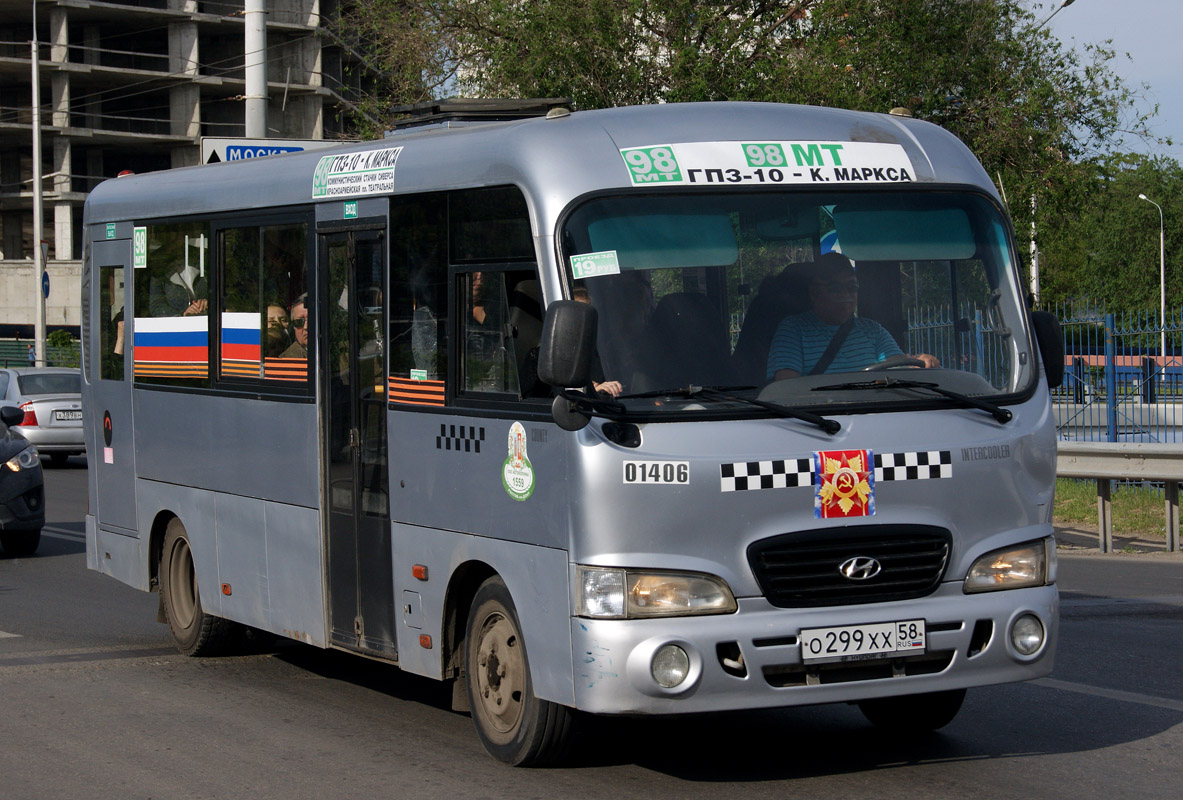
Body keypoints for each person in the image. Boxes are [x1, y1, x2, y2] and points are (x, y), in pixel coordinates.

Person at [766, 252, 938, 381]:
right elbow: (787, 390)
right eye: (835, 288)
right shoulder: (793, 329)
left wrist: (919, 362)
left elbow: (900, 367)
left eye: (852, 287)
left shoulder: (872, 330)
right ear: (814, 292)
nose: (846, 294)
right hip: (820, 419)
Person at [572, 286, 623, 397]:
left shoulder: (605, 352)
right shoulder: (545, 358)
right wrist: (593, 390)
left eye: (591, 317)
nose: (585, 323)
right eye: (578, 316)